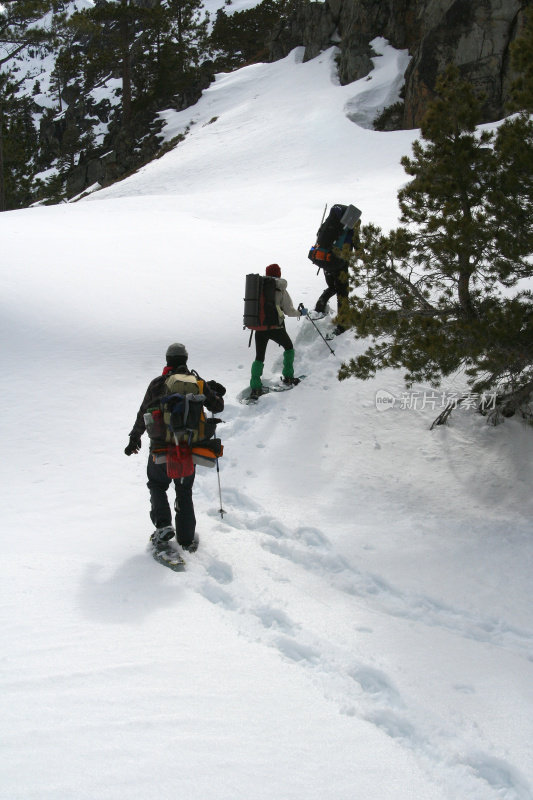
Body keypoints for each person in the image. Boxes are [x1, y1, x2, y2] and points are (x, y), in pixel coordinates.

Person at [124, 342, 225, 554]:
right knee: (184, 490)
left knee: (157, 485)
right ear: (186, 360)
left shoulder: (158, 383)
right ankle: (187, 539)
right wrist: (214, 391)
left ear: (168, 360)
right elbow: (217, 406)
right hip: (187, 449)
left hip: (161, 449)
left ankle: (163, 526)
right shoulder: (198, 382)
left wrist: (135, 438)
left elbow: (143, 412)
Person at [249, 263, 307, 399]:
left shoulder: (258, 287)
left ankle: (255, 387)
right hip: (275, 328)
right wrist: (300, 313)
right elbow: (288, 310)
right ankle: (288, 377)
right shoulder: (280, 288)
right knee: (289, 347)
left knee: (259, 356)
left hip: (259, 328)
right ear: (278, 274)